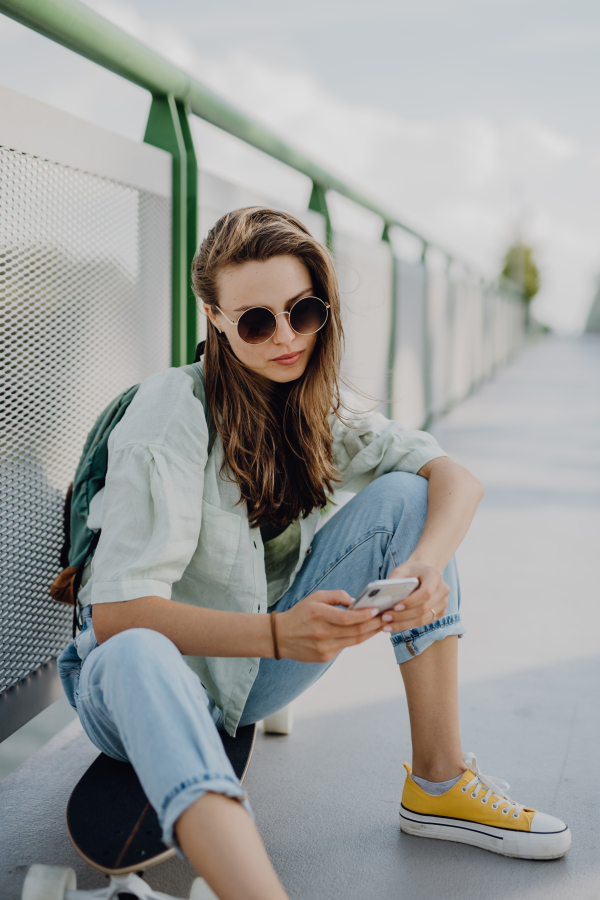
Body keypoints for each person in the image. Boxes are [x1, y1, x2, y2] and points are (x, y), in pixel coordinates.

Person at [59, 207, 570, 900]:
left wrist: (424, 564)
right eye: (257, 321)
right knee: (140, 652)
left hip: (243, 673)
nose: (288, 338)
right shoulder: (168, 416)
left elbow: (454, 478)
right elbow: (119, 616)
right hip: (135, 686)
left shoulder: (303, 402)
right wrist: (277, 631)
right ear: (211, 314)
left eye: (303, 311)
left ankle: (439, 783)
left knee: (409, 499)